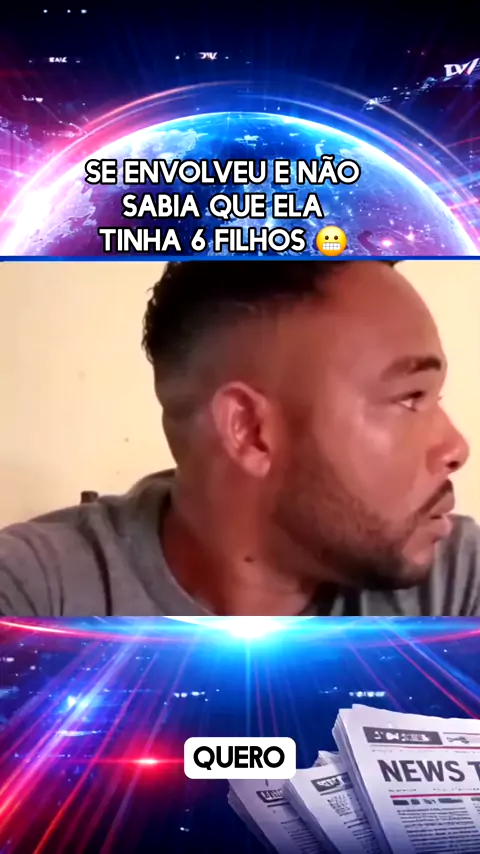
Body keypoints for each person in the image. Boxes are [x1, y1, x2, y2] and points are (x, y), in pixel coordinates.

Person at [0, 260, 478, 617]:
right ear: (249, 432)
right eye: (410, 398)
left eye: (435, 397)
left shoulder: (459, 583)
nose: (456, 448)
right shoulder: (34, 597)